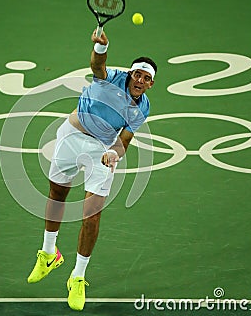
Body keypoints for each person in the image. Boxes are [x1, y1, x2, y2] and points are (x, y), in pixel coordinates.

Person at [27, 28, 157, 311]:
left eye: (147, 78)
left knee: (92, 215)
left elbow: (124, 140)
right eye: (138, 74)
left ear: (150, 84)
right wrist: (101, 47)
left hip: (100, 151)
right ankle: (49, 253)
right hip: (71, 135)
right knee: (56, 194)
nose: (140, 80)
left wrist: (113, 153)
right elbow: (97, 66)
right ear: (131, 74)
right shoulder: (113, 77)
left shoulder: (143, 107)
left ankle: (77, 276)